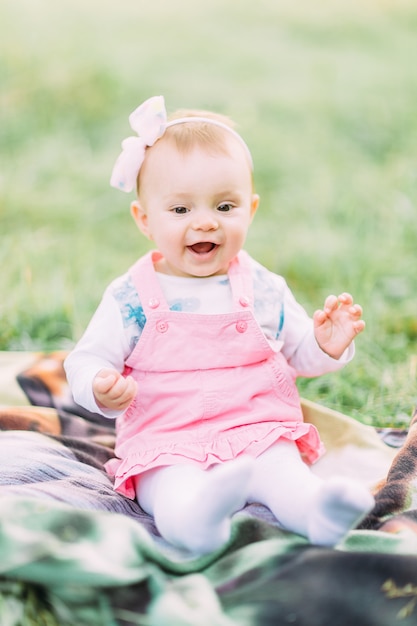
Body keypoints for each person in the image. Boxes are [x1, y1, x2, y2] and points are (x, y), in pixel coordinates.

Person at [65, 95, 374, 554]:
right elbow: (86, 358)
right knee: (170, 488)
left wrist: (325, 344)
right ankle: (196, 521)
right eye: (181, 210)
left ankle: (318, 512)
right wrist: (98, 383)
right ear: (145, 220)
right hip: (167, 440)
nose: (205, 222)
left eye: (224, 207)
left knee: (284, 471)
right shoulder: (130, 298)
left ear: (250, 208)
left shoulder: (264, 288)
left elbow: (297, 354)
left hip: (255, 428)